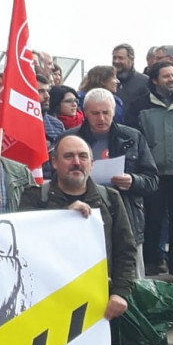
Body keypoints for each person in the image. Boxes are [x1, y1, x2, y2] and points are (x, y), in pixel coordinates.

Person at [11, 135, 137, 345]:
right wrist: (67, 215)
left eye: (82, 156)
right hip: (43, 315)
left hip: (95, 314)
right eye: (68, 156)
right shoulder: (34, 196)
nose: (76, 162)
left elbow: (126, 251)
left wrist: (121, 292)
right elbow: (20, 246)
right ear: (54, 162)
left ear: (92, 163)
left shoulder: (109, 199)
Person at [63, 88, 157, 277]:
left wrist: (133, 180)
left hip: (127, 217)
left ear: (113, 112)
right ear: (85, 112)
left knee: (131, 279)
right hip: (84, 217)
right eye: (95, 113)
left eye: (106, 112)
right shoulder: (70, 139)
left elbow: (152, 179)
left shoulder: (133, 137)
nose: (101, 118)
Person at [125, 60, 173, 279]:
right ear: (155, 80)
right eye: (166, 76)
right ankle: (153, 260)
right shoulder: (139, 105)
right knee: (153, 218)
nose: (172, 80)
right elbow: (133, 136)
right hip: (152, 173)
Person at [36, 74, 67, 144]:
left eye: (47, 91)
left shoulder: (57, 125)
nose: (47, 96)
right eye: (40, 91)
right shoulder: (16, 124)